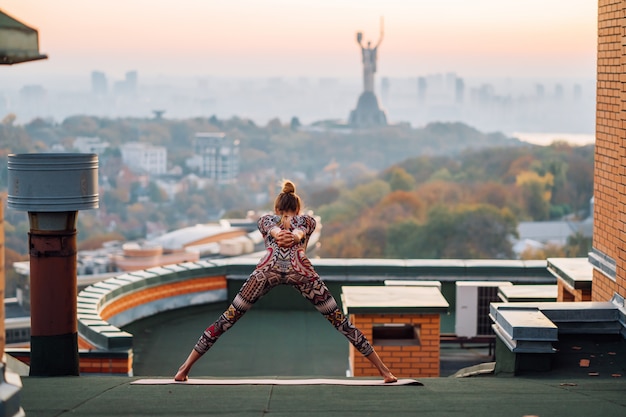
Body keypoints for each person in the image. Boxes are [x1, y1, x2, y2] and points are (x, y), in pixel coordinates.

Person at [174, 180, 397, 383]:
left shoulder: (267, 220)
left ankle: (184, 369)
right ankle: (384, 371)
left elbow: (276, 228)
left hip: (265, 272)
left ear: (277, 208)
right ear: (297, 207)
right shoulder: (307, 220)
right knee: (340, 322)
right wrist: (292, 236)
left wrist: (280, 234)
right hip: (301, 273)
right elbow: (299, 230)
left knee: (227, 318)